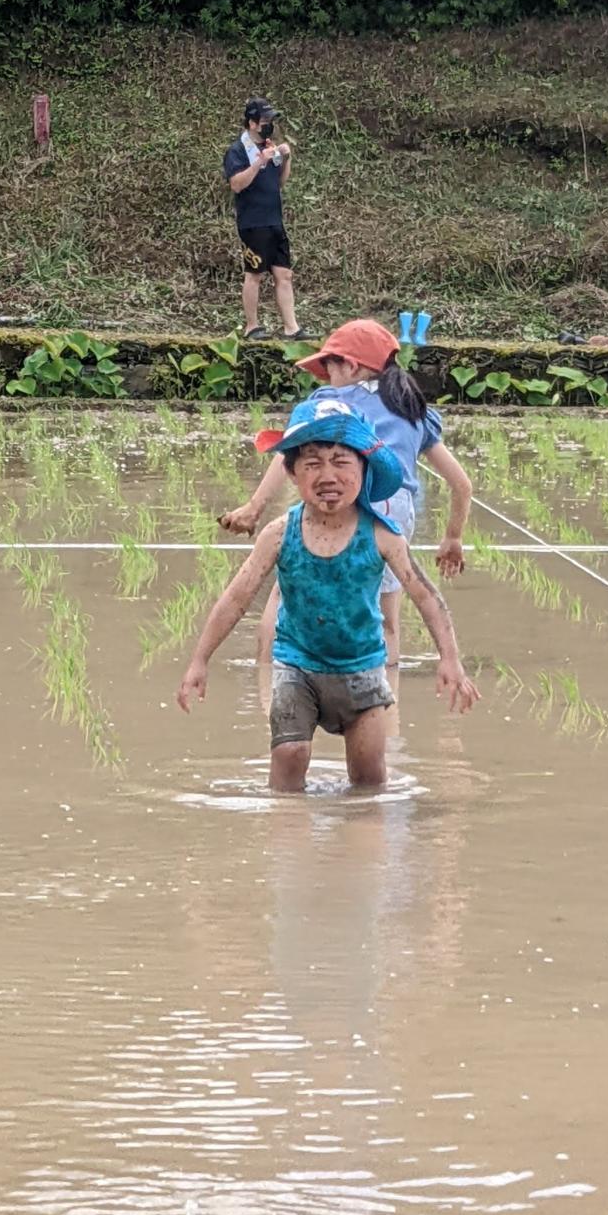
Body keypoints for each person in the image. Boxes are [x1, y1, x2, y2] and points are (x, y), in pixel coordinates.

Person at [177, 408, 478, 792]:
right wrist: (199, 661)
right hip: (297, 665)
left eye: (341, 462)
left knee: (369, 778)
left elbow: (425, 596)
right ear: (292, 473)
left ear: (364, 469)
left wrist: (450, 660)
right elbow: (237, 597)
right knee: (289, 755)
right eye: (313, 464)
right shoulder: (279, 533)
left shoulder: (384, 536)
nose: (328, 476)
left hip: (363, 668)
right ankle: (286, 836)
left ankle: (360, 848)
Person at [219, 318, 473, 662]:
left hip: (342, 498)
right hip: (395, 508)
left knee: (284, 597)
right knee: (385, 617)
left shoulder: (330, 401)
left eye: (329, 369)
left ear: (352, 366)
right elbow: (462, 484)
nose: (326, 380)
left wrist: (253, 508)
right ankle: (385, 699)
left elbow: (288, 457)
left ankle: (270, 678)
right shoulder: (413, 410)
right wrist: (453, 538)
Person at [223, 97, 298, 341]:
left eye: (271, 121)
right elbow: (236, 184)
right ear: (252, 123)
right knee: (254, 274)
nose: (269, 125)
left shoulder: (269, 145)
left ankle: (291, 328)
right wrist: (259, 162)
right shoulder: (237, 151)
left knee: (284, 274)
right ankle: (252, 326)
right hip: (252, 222)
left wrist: (285, 159)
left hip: (274, 219)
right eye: (265, 121)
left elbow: (279, 183)